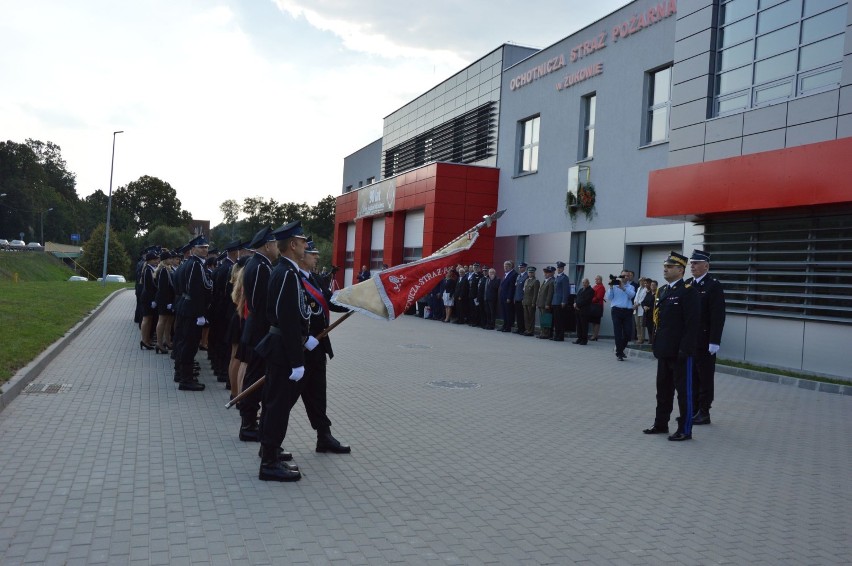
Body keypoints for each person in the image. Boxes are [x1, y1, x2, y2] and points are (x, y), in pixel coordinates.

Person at [254, 221, 311, 482]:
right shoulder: (287, 273)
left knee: (273, 402)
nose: (305, 245)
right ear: (292, 245)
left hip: (280, 346)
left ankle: (271, 449)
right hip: (283, 349)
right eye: (302, 241)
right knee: (277, 406)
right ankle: (269, 463)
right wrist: (297, 360)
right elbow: (286, 318)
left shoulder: (286, 270)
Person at [296, 239, 351, 453]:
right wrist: (303, 338)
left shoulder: (316, 279)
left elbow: (332, 301)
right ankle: (269, 441)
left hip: (318, 347)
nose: (317, 257)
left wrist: (357, 303)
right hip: (299, 349)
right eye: (313, 253)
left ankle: (324, 436)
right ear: (302, 255)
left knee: (318, 394)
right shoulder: (293, 279)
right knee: (287, 397)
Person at [643, 251, 699, 442]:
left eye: (669, 267)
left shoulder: (688, 291)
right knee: (663, 390)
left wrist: (685, 349)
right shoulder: (663, 291)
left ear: (680, 270)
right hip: (664, 350)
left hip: (680, 352)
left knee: (684, 392)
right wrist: (656, 344)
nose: (665, 269)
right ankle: (661, 423)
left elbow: (692, 324)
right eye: (665, 266)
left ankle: (685, 429)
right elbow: (660, 322)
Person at [238, 227, 278, 442]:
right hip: (259, 330)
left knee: (255, 376)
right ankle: (248, 424)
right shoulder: (262, 267)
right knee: (254, 378)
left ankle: (250, 420)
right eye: (274, 243)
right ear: (266, 245)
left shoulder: (258, 264)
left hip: (255, 328)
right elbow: (264, 305)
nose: (277, 248)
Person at [685, 249, 726, 425]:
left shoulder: (713, 285)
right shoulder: (688, 284)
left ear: (706, 266)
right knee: (691, 376)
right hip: (690, 340)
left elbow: (718, 315)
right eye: (691, 263)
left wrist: (714, 340)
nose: (692, 266)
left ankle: (704, 411)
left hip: (705, 340)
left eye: (695, 263)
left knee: (705, 376)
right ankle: (693, 409)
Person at [172, 236, 212, 391]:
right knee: (189, 344)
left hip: (185, 305)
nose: (205, 250)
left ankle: (181, 373)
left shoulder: (188, 263)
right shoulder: (196, 265)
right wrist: (201, 313)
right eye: (201, 247)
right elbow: (198, 290)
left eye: (206, 247)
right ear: (193, 249)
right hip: (192, 309)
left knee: (182, 342)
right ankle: (186, 379)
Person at [606, 273, 635, 361]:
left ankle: (620, 350)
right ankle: (619, 353)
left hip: (627, 311)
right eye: (623, 276)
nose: (625, 277)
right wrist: (611, 287)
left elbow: (632, 295)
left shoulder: (630, 287)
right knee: (618, 332)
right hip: (616, 310)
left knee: (627, 333)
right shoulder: (614, 286)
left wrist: (623, 288)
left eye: (626, 276)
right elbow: (609, 297)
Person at [154, 250, 177, 354]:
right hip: (164, 300)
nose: (172, 260)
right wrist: (167, 302)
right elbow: (163, 289)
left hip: (168, 299)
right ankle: (159, 343)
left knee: (168, 321)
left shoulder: (168, 269)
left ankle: (167, 341)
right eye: (170, 258)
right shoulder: (163, 270)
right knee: (162, 320)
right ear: (165, 260)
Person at [138, 251, 160, 350]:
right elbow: (149, 286)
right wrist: (152, 300)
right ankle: (144, 340)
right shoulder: (147, 270)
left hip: (149, 297)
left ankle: (148, 339)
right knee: (146, 319)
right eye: (155, 259)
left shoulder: (151, 269)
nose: (157, 261)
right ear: (150, 260)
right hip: (147, 298)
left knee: (149, 319)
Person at [552, 261, 569, 341]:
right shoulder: (557, 277)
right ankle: (556, 334)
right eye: (558, 268)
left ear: (563, 269)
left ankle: (560, 336)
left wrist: (564, 301)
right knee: (556, 319)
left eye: (560, 268)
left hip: (560, 301)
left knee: (560, 320)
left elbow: (566, 291)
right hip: (555, 301)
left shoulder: (564, 278)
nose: (559, 269)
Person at [536, 266, 555, 339]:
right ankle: (542, 332)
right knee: (542, 319)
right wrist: (538, 302)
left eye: (548, 272)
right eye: (545, 272)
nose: (546, 274)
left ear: (552, 273)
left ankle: (546, 333)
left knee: (546, 319)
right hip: (541, 303)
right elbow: (540, 293)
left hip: (545, 304)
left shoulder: (552, 281)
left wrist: (547, 304)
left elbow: (550, 294)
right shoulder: (545, 281)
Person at [498, 261, 517, 332]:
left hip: (508, 297)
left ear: (510, 267)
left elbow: (512, 288)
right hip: (503, 296)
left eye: (506, 266)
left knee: (508, 312)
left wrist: (509, 297)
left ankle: (508, 327)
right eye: (504, 266)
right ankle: (504, 325)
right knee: (504, 312)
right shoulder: (506, 274)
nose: (505, 268)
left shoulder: (513, 274)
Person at [573, 278, 593, 344]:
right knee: (578, 325)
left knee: (584, 326)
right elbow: (576, 297)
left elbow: (586, 300)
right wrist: (575, 303)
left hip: (584, 311)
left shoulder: (591, 290)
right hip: (578, 310)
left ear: (588, 283)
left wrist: (577, 305)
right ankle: (579, 338)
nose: (583, 284)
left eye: (585, 282)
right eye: (583, 282)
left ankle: (584, 340)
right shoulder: (581, 289)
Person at [521, 266, 539, 336]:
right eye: (529, 272)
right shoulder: (526, 280)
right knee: (526, 317)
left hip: (531, 302)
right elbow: (524, 291)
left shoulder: (536, 281)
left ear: (534, 273)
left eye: (532, 272)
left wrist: (533, 302)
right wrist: (523, 299)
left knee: (531, 317)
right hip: (525, 301)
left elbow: (535, 293)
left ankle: (531, 331)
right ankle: (527, 329)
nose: (530, 274)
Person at [513, 262, 528, 334]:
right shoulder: (518, 276)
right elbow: (516, 288)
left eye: (521, 267)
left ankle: (523, 329)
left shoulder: (526, 276)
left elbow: (525, 289)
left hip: (522, 298)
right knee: (518, 315)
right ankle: (519, 328)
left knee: (522, 315)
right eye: (519, 267)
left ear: (525, 268)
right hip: (517, 298)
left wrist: (523, 298)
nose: (520, 269)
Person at [633, 277, 649, 345]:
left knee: (641, 324)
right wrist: (634, 303)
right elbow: (636, 297)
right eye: (640, 281)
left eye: (642, 281)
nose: (641, 283)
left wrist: (638, 304)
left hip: (641, 308)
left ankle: (642, 338)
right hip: (636, 308)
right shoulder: (638, 288)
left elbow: (643, 298)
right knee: (637, 324)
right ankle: (638, 338)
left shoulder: (646, 289)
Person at [590, 275, 605, 340]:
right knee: (593, 321)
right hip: (593, 305)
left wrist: (591, 299)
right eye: (595, 279)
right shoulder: (595, 286)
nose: (596, 280)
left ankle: (595, 335)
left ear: (601, 280)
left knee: (596, 321)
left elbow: (598, 297)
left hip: (598, 306)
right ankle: (594, 334)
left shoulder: (601, 287)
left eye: (597, 279)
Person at [643, 280, 658, 345]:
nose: (652, 286)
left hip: (654, 314)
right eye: (652, 285)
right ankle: (650, 341)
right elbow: (643, 302)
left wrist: (650, 308)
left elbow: (658, 303)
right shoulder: (648, 293)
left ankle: (654, 341)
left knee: (653, 328)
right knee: (649, 328)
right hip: (647, 314)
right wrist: (644, 306)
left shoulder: (658, 294)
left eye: (654, 285)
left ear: (656, 286)